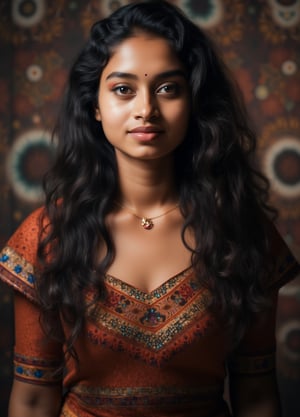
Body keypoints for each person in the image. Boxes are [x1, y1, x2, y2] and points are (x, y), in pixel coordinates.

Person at [0, 1, 299, 416]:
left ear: (194, 102)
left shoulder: (240, 231)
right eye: (123, 89)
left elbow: (258, 395)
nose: (146, 109)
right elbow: (33, 399)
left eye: (168, 88)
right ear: (95, 105)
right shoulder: (48, 236)